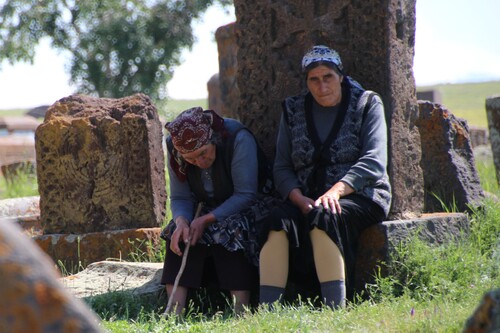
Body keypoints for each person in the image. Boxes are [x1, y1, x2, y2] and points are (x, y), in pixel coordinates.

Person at [258, 45, 392, 309]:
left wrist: (337, 191)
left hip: (362, 195)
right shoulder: (292, 109)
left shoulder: (367, 103)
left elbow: (374, 160)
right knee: (276, 220)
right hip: (306, 196)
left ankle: (334, 307)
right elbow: (282, 165)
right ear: (307, 82)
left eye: (328, 77)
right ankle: (267, 308)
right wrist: (296, 197)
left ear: (340, 76)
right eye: (314, 80)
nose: (322, 86)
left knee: (325, 215)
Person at [161, 106, 276, 315]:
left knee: (228, 228)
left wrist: (207, 219)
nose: (200, 162)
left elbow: (246, 194)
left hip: (250, 204)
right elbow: (180, 197)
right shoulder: (174, 148)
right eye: (191, 159)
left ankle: (240, 309)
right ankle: (174, 311)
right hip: (205, 207)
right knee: (176, 233)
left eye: (203, 153)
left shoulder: (237, 138)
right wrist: (182, 222)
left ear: (213, 138)